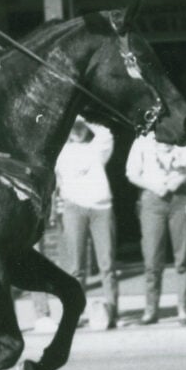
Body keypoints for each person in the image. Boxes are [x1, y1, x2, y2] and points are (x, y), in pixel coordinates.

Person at [126, 129, 186, 326]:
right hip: (152, 200)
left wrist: (182, 178)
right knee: (152, 258)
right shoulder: (142, 141)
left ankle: (183, 308)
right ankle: (151, 310)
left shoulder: (180, 138)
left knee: (183, 256)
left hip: (179, 198)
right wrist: (152, 186)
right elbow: (131, 173)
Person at [55, 117, 118, 330]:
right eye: (73, 128)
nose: (77, 132)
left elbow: (106, 133)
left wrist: (84, 118)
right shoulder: (61, 152)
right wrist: (68, 120)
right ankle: (75, 314)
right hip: (74, 208)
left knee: (107, 264)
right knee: (75, 267)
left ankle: (112, 311)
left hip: (102, 209)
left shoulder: (97, 149)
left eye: (80, 128)